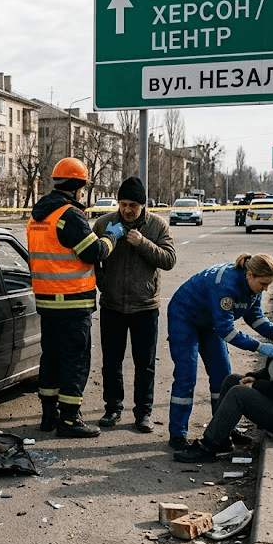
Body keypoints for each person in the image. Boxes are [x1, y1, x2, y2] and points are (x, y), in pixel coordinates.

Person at [175, 288, 273, 463]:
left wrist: (256, 386)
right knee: (232, 380)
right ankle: (222, 438)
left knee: (239, 393)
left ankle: (208, 446)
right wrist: (255, 377)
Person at [27, 157, 123, 438]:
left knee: (51, 358)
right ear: (77, 187)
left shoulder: (38, 215)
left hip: (46, 301)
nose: (84, 192)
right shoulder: (68, 215)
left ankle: (49, 415)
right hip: (72, 302)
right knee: (75, 362)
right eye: (84, 187)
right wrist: (111, 237)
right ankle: (69, 420)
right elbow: (94, 253)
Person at [167, 253, 273, 451]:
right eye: (263, 284)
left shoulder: (255, 284)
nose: (265, 289)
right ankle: (177, 434)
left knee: (222, 375)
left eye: (268, 285)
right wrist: (259, 347)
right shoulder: (225, 285)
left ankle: (222, 428)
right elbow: (226, 331)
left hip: (210, 321)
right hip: (184, 317)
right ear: (250, 275)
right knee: (186, 375)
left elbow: (255, 318)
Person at [92, 177, 177, 433]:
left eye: (133, 205)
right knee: (111, 362)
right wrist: (103, 283)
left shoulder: (157, 225)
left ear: (143, 205)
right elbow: (91, 257)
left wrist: (143, 244)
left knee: (145, 364)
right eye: (123, 204)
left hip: (145, 307)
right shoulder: (104, 223)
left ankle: (143, 414)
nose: (127, 210)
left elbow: (169, 259)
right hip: (112, 304)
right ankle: (113, 408)